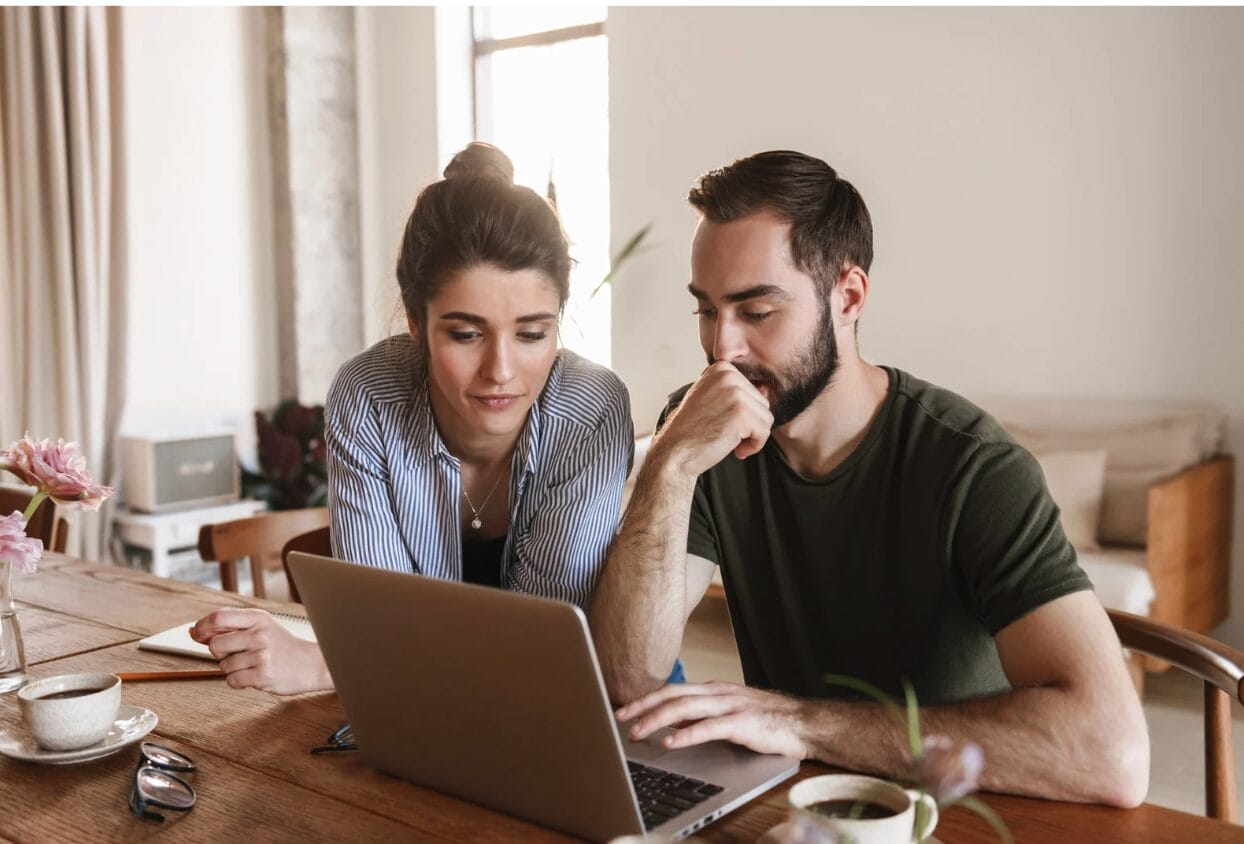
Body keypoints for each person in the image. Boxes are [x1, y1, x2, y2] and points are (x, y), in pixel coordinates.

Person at [588, 150, 1150, 807]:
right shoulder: (704, 434)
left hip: (962, 812)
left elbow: (1113, 753)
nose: (723, 349)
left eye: (757, 312)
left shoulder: (975, 467)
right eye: (706, 311)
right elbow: (627, 677)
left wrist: (799, 722)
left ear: (848, 296)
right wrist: (671, 462)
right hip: (805, 810)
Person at [192, 142, 633, 694]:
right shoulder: (370, 395)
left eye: (531, 334)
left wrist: (330, 666)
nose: (500, 370)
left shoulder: (591, 409)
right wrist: (369, 653)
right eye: (466, 334)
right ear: (416, 323)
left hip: (582, 701)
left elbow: (538, 650)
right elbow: (381, 620)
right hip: (423, 707)